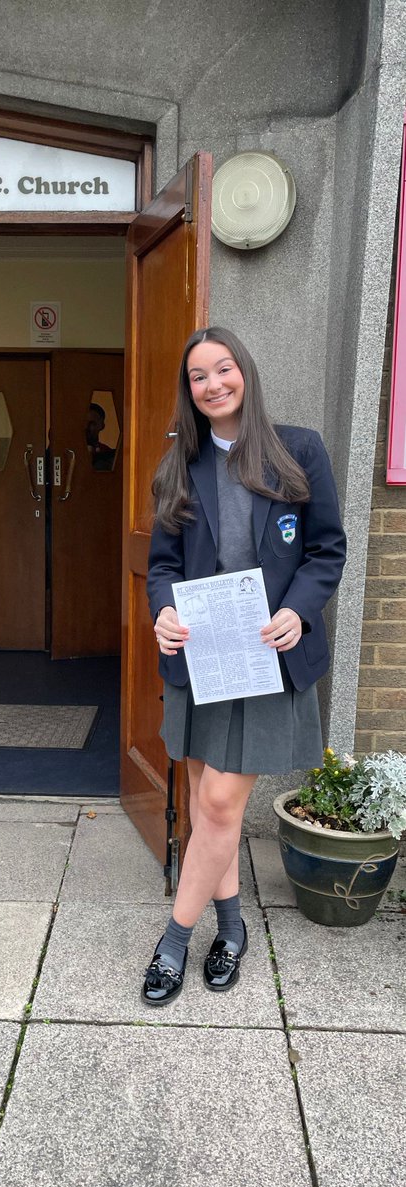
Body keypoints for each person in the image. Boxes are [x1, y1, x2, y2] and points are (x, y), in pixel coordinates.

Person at [142, 327, 346, 1006]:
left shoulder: (299, 449)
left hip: (267, 651)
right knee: (207, 804)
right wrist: (162, 612)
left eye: (221, 369)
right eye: (197, 376)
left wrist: (298, 610)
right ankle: (231, 928)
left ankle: (174, 941)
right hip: (202, 657)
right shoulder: (177, 466)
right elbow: (162, 567)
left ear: (243, 372)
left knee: (222, 803)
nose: (212, 384)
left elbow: (326, 550)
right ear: (188, 391)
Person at [85, 402, 116, 471]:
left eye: (92, 423)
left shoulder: (107, 454)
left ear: (101, 426)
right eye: (83, 422)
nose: (86, 427)